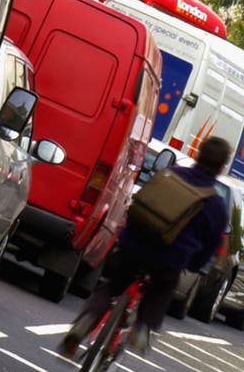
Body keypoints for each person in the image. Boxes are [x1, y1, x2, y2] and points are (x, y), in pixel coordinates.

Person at [58, 136, 231, 357]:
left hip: (134, 243)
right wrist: (196, 264)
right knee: (161, 290)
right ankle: (143, 328)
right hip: (169, 259)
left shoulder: (169, 174)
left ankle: (85, 321)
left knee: (114, 285)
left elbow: (141, 202)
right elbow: (210, 246)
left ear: (198, 155)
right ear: (221, 167)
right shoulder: (215, 205)